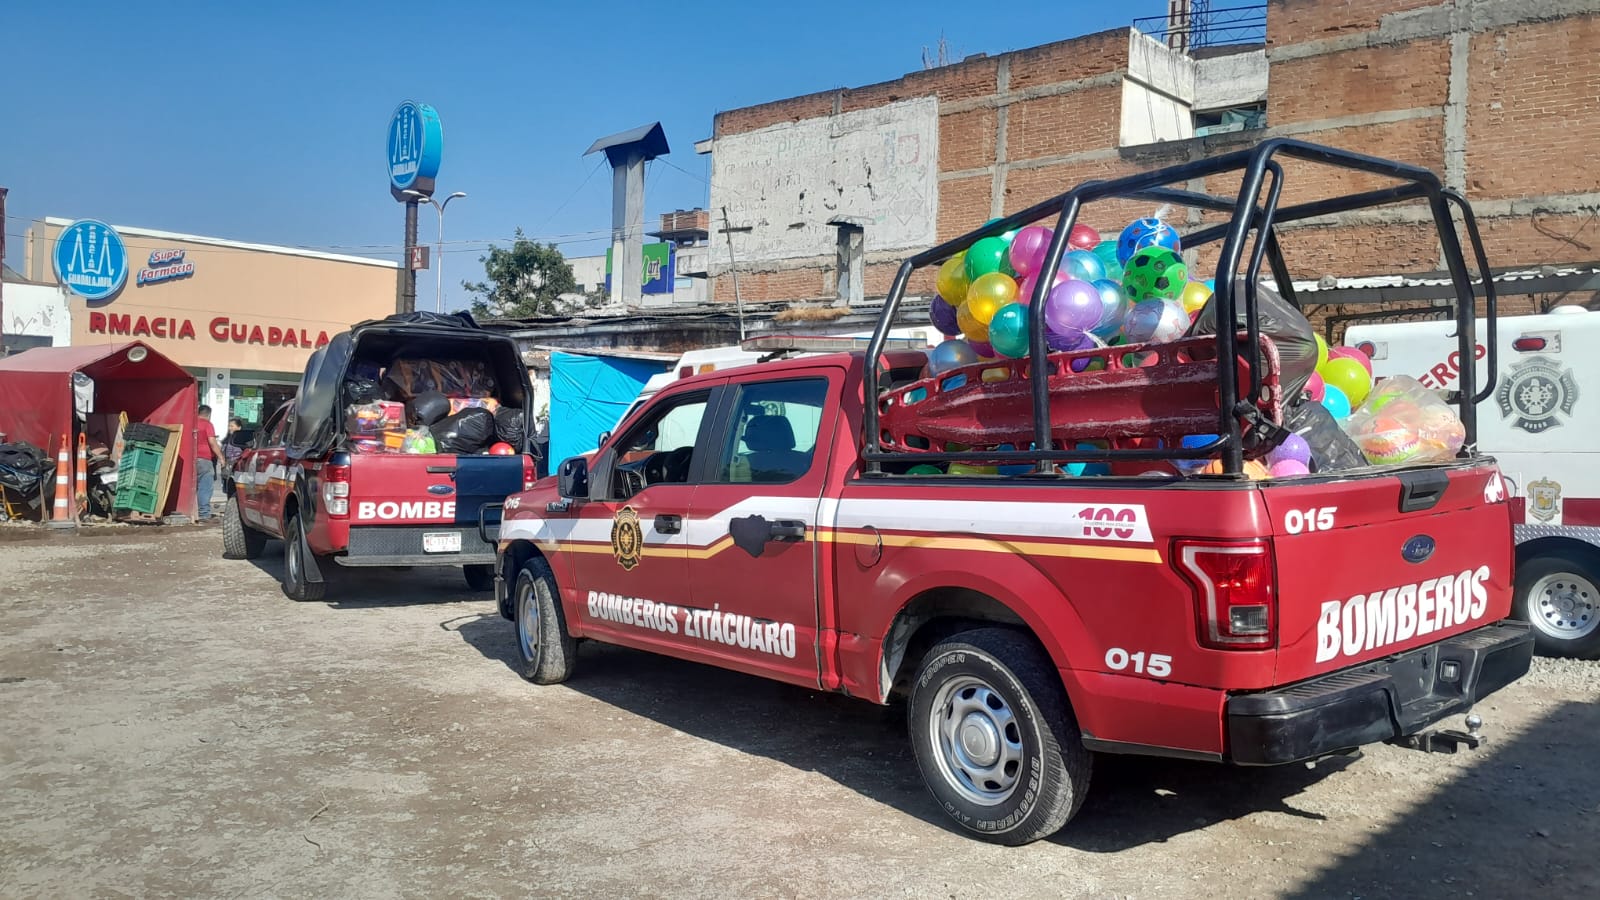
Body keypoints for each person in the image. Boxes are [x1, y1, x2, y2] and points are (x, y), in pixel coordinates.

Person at [196, 406, 224, 520]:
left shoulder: (192, 423)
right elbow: (212, 442)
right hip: (205, 459)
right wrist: (221, 457)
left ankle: (192, 511)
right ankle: (203, 513)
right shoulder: (207, 424)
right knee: (205, 486)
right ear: (209, 414)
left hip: (191, 458)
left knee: (194, 486)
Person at [221, 418, 247, 498]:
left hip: (237, 464)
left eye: (232, 426)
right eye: (229, 426)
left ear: (239, 427)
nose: (230, 428)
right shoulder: (228, 439)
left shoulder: (242, 439)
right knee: (228, 488)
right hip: (227, 465)